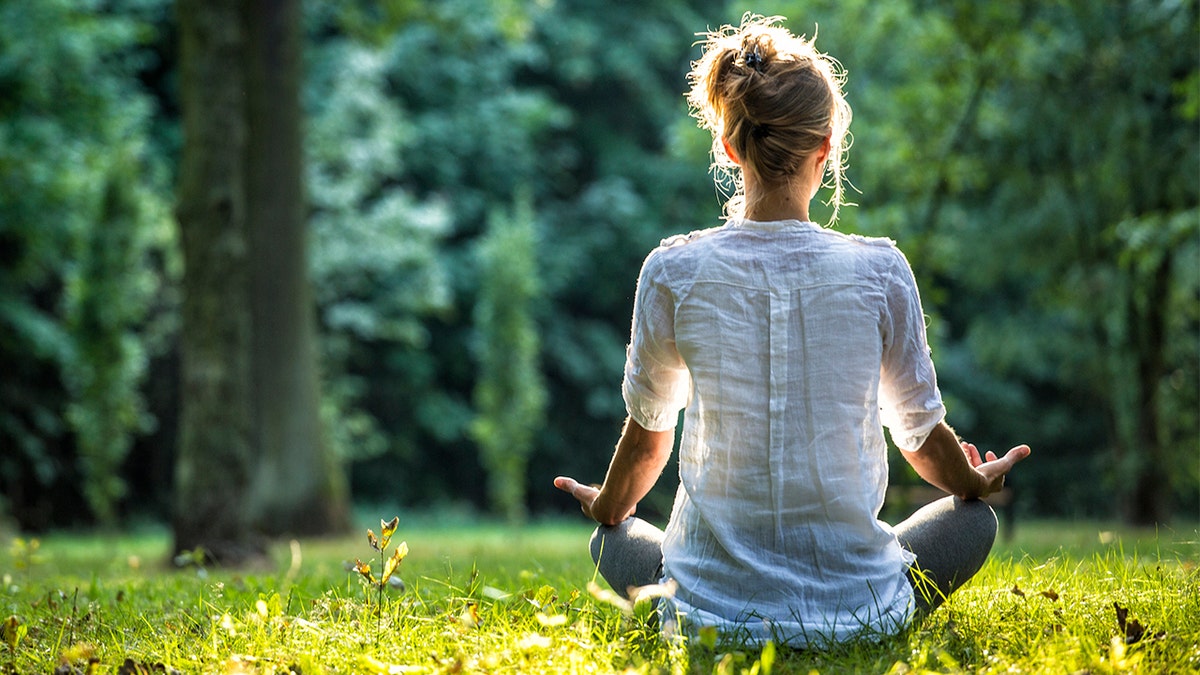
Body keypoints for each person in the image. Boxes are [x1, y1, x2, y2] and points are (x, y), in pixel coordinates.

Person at [553, 14, 1030, 646]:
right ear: (826, 147)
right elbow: (919, 436)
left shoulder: (672, 270)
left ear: (729, 146)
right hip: (857, 610)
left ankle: (700, 594)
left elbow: (648, 443)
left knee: (609, 539)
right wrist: (972, 481)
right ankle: (862, 613)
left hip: (707, 618)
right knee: (974, 525)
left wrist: (608, 507)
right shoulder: (880, 271)